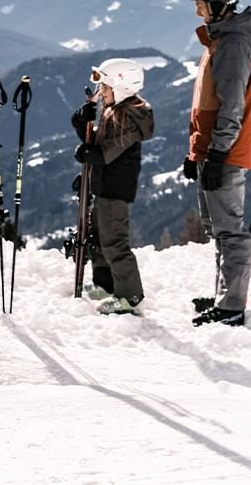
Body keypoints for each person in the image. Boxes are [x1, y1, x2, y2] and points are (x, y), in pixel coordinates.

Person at [181, 0, 251, 326]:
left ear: (217, 4)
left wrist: (216, 155)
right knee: (218, 228)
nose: (196, 10)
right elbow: (205, 104)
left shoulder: (232, 45)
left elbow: (232, 107)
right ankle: (222, 296)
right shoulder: (218, 42)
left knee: (231, 231)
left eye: (200, 3)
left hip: (224, 153)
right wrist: (195, 152)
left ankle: (231, 306)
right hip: (211, 150)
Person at [71, 57, 155, 316]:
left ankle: (129, 296)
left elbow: (107, 152)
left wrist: (88, 155)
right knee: (99, 235)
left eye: (105, 87)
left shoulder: (130, 116)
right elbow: (96, 143)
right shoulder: (114, 111)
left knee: (114, 241)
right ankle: (107, 284)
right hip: (104, 185)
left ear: (121, 86)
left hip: (116, 189)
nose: (101, 92)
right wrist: (80, 120)